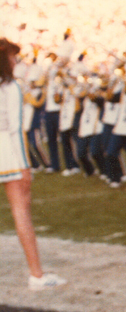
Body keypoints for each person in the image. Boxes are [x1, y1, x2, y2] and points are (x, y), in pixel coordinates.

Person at [0, 38, 66, 291]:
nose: (16, 62)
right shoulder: (10, 86)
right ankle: (36, 275)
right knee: (21, 210)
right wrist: (25, 166)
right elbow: (16, 129)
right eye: (13, 57)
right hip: (7, 151)